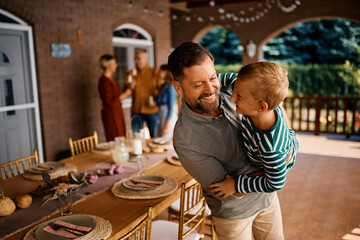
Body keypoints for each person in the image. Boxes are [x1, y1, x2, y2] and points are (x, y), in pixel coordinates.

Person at [168, 42, 284, 240]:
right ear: (178, 87)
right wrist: (276, 168)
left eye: (212, 77)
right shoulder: (185, 139)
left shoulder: (234, 88)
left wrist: (286, 139)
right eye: (198, 85)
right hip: (234, 216)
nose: (210, 89)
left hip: (267, 199)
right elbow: (227, 190)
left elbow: (270, 100)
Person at [209, 61, 299, 199]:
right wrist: (209, 87)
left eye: (239, 96)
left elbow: (276, 183)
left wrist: (235, 185)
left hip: (283, 152)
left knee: (244, 188)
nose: (232, 97)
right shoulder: (251, 97)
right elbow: (231, 79)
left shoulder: (271, 149)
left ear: (261, 107)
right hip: (273, 134)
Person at [125, 50, 161, 138]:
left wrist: (156, 101)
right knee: (136, 138)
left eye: (138, 58)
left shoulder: (155, 72)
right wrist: (130, 87)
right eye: (135, 59)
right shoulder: (130, 74)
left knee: (154, 138)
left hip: (151, 110)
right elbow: (126, 92)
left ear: (146, 59)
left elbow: (161, 90)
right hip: (136, 110)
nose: (136, 61)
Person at [98, 54, 131, 141]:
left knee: (121, 135)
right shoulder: (104, 81)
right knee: (115, 136)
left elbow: (116, 95)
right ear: (108, 65)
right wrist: (123, 95)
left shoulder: (112, 78)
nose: (116, 65)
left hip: (117, 110)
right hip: (111, 113)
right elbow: (108, 100)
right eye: (114, 63)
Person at [156, 64, 178, 138]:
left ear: (166, 72)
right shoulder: (164, 86)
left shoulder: (171, 87)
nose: (159, 72)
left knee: (166, 140)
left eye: (161, 71)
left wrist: (167, 126)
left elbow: (171, 108)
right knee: (161, 138)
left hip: (168, 117)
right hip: (162, 115)